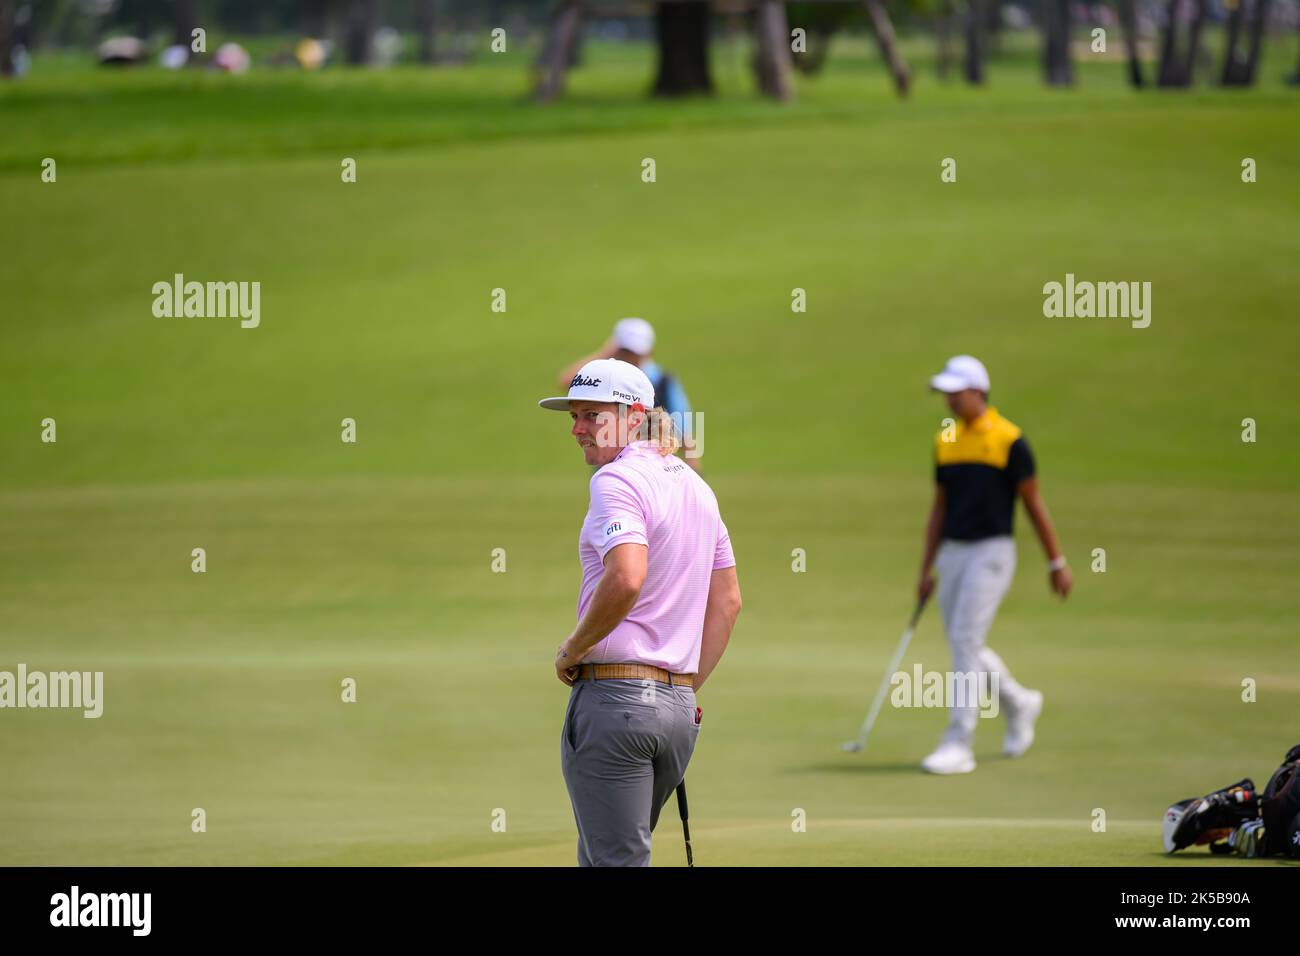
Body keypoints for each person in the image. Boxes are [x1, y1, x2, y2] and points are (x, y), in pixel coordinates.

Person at [538, 358, 741, 865]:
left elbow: (627, 576)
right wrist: (681, 691)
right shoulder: (698, 487)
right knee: (606, 856)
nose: (577, 429)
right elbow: (729, 602)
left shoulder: (617, 480)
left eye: (590, 415)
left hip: (615, 704)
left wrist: (572, 648)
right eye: (574, 417)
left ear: (632, 415)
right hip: (675, 715)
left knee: (614, 860)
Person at [916, 355, 1072, 775]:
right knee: (964, 643)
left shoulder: (1009, 440)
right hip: (952, 552)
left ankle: (958, 742)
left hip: (992, 552)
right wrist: (925, 569)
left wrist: (1056, 561)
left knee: (965, 640)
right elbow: (939, 509)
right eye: (946, 393)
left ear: (978, 392)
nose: (949, 400)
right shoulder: (945, 441)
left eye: (956, 392)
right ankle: (1020, 703)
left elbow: (1033, 504)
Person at [557, 318, 701, 471]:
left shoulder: (663, 380)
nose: (632, 357)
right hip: (609, 459)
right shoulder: (604, 375)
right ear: (616, 348)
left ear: (648, 352)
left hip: (646, 463)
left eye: (636, 352)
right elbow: (567, 381)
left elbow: (683, 421)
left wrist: (693, 464)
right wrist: (604, 353)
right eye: (626, 351)